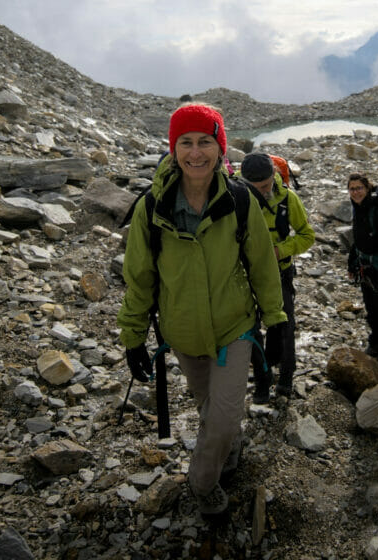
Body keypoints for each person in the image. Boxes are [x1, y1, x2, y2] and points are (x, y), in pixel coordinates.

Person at [117, 103, 286, 518]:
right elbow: (139, 278)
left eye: (206, 142)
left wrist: (276, 318)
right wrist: (133, 337)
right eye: (186, 142)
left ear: (220, 148)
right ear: (173, 149)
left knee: (225, 415)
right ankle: (229, 448)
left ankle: (201, 485)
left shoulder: (240, 200)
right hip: (182, 332)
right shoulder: (151, 207)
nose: (196, 153)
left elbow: (263, 266)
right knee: (209, 407)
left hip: (235, 328)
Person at [240, 152, 316, 403]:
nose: (261, 192)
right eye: (255, 188)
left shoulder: (288, 199)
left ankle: (285, 378)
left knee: (283, 326)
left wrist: (279, 251)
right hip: (244, 274)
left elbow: (307, 235)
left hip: (279, 272)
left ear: (274, 176)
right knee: (250, 328)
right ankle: (262, 380)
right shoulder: (235, 195)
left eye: (265, 186)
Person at [346, 172, 378, 367]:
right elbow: (357, 239)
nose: (356, 192)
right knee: (372, 308)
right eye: (352, 189)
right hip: (367, 267)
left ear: (367, 189)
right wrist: (353, 263)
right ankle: (376, 343)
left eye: (359, 188)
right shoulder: (359, 208)